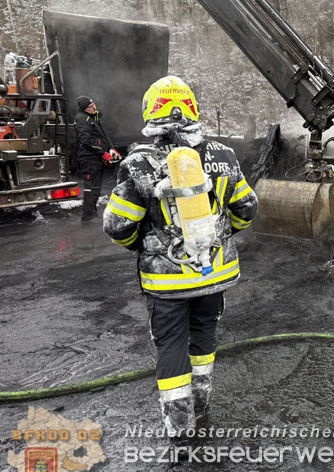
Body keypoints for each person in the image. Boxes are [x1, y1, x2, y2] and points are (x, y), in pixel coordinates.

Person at [103, 76, 258, 438]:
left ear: (150, 112)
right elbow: (247, 208)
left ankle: (179, 427)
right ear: (193, 110)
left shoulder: (138, 163)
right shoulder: (223, 155)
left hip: (167, 282)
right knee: (203, 335)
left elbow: (118, 226)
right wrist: (220, 236)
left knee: (172, 344)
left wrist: (143, 246)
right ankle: (201, 405)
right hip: (214, 275)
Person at [73, 95, 120, 222]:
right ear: (84, 109)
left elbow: (103, 136)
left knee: (96, 187)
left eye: (94, 104)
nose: (94, 107)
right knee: (91, 188)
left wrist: (111, 148)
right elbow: (86, 141)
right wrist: (103, 153)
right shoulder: (82, 119)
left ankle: (92, 213)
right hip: (89, 158)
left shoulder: (93, 117)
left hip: (95, 158)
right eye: (90, 106)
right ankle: (88, 216)